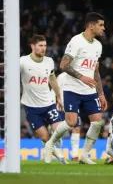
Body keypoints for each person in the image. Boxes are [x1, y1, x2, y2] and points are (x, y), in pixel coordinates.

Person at [44, 12, 108, 164]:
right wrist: (82, 77)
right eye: (101, 25)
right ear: (91, 26)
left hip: (90, 91)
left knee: (97, 122)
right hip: (72, 89)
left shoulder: (98, 46)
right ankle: (50, 143)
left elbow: (96, 71)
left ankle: (84, 155)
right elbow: (63, 65)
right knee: (71, 123)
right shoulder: (76, 41)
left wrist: (101, 93)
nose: (103, 28)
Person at [21, 35, 67, 164]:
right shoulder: (23, 61)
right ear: (32, 46)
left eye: (45, 46)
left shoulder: (49, 61)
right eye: (40, 46)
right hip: (31, 107)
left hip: (48, 103)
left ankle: (55, 139)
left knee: (60, 129)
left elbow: (52, 79)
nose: (43, 48)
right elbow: (8, 68)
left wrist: (59, 97)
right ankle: (59, 157)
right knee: (45, 137)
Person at [52, 72, 83, 161]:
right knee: (58, 131)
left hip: (73, 107)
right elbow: (54, 89)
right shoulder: (61, 76)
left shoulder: (77, 76)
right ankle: (57, 153)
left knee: (76, 129)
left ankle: (75, 155)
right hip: (60, 108)